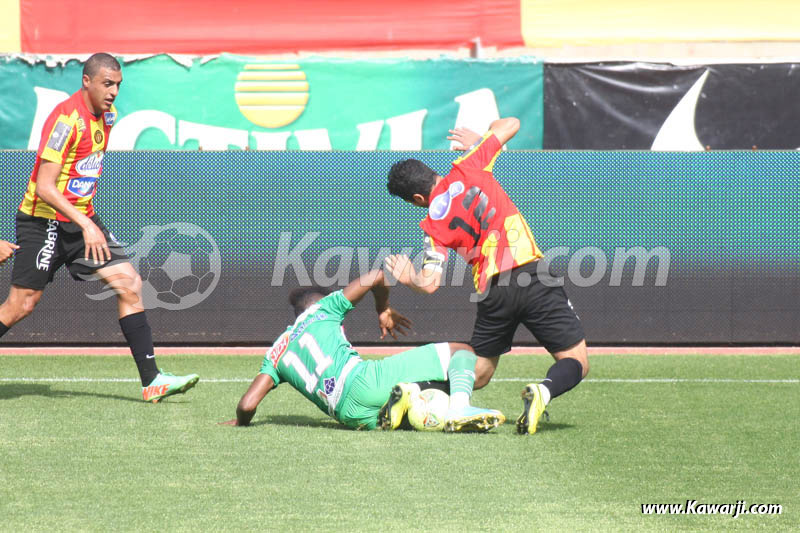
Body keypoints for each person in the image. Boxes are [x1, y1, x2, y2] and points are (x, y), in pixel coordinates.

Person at [0, 53, 198, 403]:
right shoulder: (65, 120)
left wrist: (86, 222)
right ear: (86, 82)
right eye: (107, 83)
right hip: (44, 220)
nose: (114, 91)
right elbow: (46, 186)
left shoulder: (108, 116)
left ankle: (152, 381)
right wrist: (85, 224)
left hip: (81, 221)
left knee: (130, 283)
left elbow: (81, 174)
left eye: (118, 84)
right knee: (21, 306)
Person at [384, 117, 589, 435]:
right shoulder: (469, 164)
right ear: (430, 171)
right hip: (531, 274)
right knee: (576, 360)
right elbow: (512, 123)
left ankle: (414, 389)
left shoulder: (431, 226)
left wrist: (409, 277)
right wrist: (481, 140)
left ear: (417, 200)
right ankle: (543, 392)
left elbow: (430, 283)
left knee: (478, 373)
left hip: (492, 291)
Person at [222, 268, 505, 432]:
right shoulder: (323, 308)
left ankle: (406, 402)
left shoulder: (277, 350)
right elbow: (377, 276)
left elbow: (247, 405)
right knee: (462, 353)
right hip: (363, 380)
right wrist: (383, 308)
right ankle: (459, 407)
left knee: (424, 399)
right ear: (316, 303)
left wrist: (240, 421)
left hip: (349, 415)